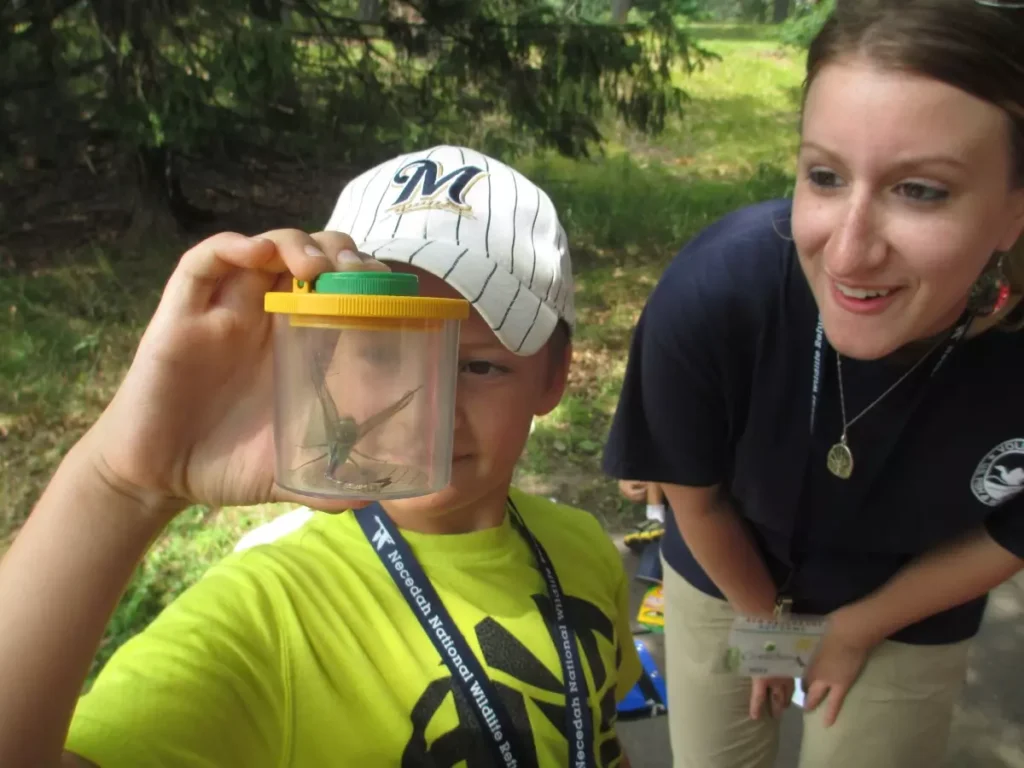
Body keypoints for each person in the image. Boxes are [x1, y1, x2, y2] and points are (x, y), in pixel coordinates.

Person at [0, 146, 642, 767]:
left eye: (479, 365)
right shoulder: (269, 610)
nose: (429, 408)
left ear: (554, 376)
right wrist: (120, 482)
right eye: (384, 350)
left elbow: (597, 734)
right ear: (321, 359)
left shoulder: (585, 551)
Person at [602, 2, 1024, 767]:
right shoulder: (714, 295)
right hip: (727, 569)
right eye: (825, 176)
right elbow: (694, 497)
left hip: (915, 604)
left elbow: (1014, 527)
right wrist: (769, 635)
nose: (850, 252)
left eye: (921, 190)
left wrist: (858, 628)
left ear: (1014, 213)